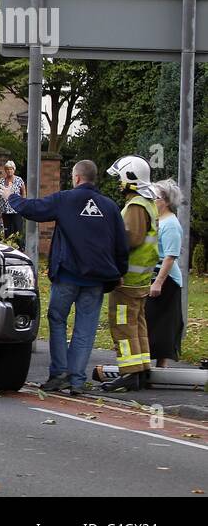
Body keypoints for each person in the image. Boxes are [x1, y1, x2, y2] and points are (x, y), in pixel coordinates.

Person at [0, 160, 128, 394]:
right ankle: (77, 380)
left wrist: (11, 197)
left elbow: (34, 209)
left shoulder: (65, 199)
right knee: (85, 329)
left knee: (57, 319)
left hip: (68, 275)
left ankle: (59, 374)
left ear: (77, 178)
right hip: (97, 279)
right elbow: (121, 244)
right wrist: (120, 272)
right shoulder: (110, 207)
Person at [100, 156, 158, 391]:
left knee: (123, 325)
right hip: (141, 278)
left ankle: (128, 373)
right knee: (138, 323)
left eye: (120, 178)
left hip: (128, 280)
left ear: (129, 177)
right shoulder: (148, 202)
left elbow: (131, 238)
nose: (118, 183)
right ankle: (142, 368)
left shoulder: (135, 205)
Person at [143, 179, 185, 368]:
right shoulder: (157, 220)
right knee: (149, 322)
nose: (152, 200)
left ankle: (161, 368)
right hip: (152, 275)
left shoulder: (171, 224)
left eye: (156, 197)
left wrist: (158, 283)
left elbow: (170, 257)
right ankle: (146, 366)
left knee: (163, 325)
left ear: (166, 201)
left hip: (167, 280)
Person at [0, 160, 26, 240]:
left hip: (16, 209)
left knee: (17, 229)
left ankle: (19, 247)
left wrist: (23, 204)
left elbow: (23, 192)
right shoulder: (2, 181)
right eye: (7, 169)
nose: (9, 171)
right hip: (5, 210)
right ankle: (8, 244)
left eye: (11, 169)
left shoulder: (19, 180)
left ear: (14, 170)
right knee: (7, 230)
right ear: (5, 170)